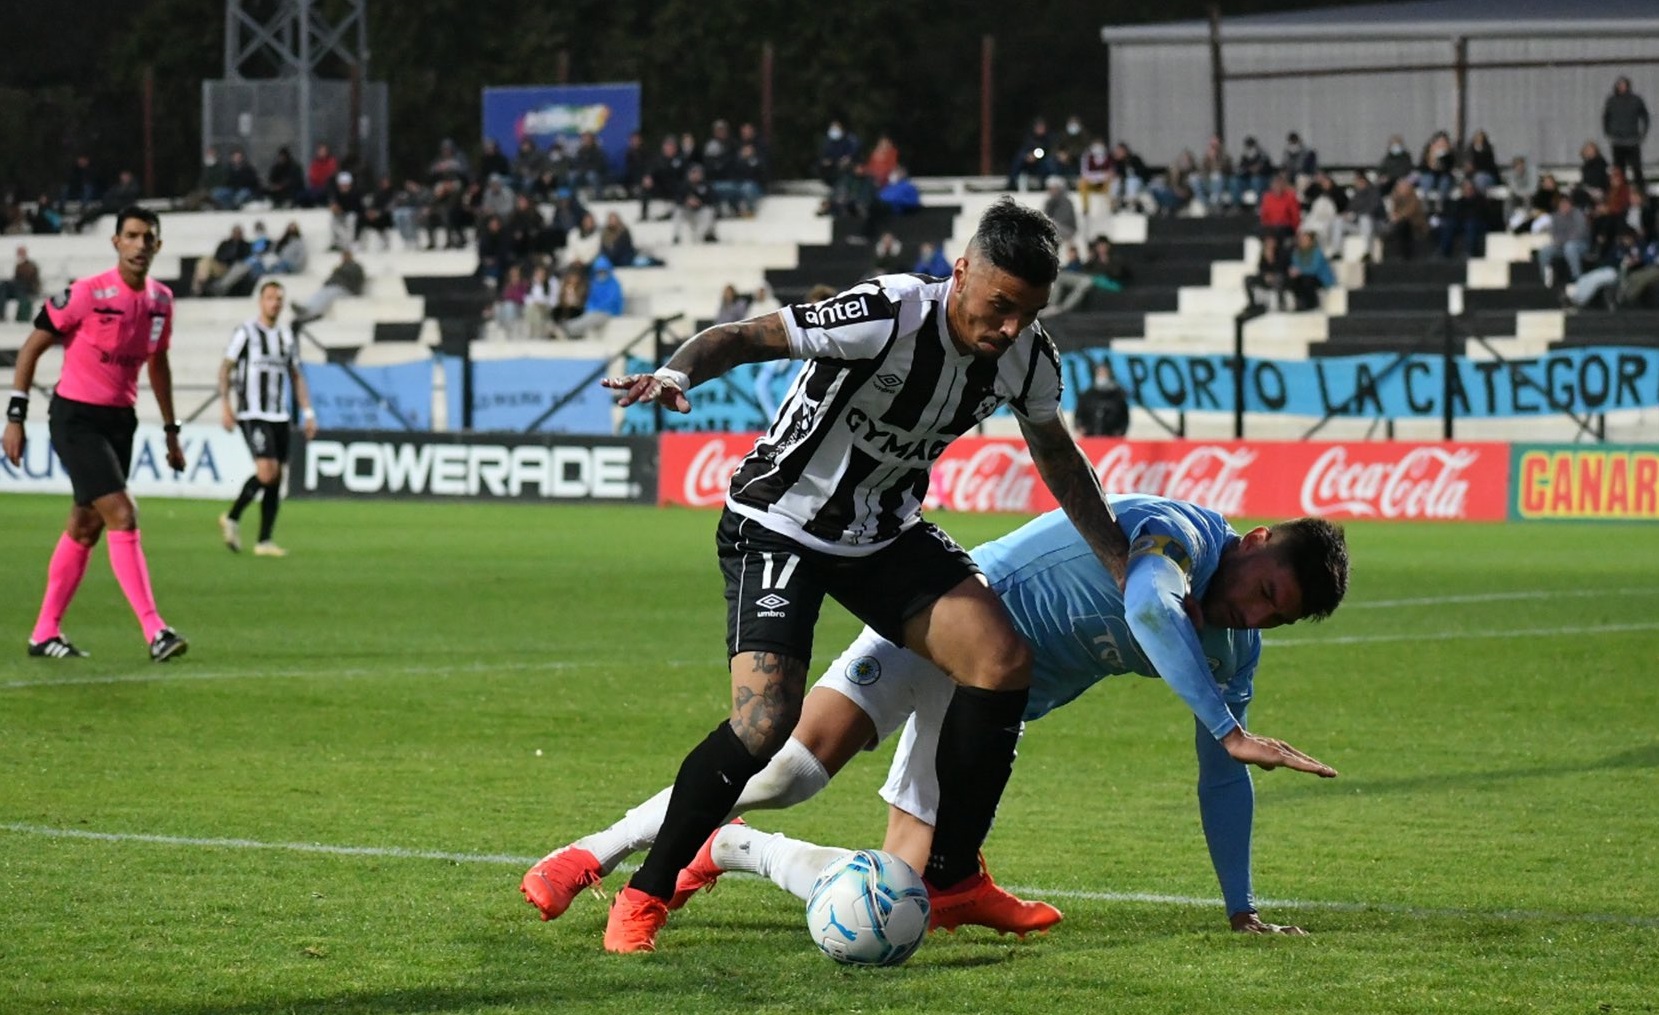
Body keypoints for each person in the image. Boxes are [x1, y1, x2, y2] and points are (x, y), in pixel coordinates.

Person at [584, 198, 1134, 954]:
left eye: (1027, 313)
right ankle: (646, 893)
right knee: (763, 722)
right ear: (961, 271)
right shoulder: (886, 310)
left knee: (1001, 661)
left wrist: (1117, 561)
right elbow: (743, 336)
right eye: (1000, 306)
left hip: (881, 534)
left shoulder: (1028, 355)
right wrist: (677, 371)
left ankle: (950, 878)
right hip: (778, 521)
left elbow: (1057, 454)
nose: (1009, 328)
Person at [523, 495, 1348, 938]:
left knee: (899, 896)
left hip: (987, 710)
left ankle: (740, 847)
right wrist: (1227, 722)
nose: (1250, 614)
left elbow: (1221, 772)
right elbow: (1149, 607)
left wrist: (1239, 904)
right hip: (936, 623)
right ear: (1257, 538)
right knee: (790, 769)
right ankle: (589, 853)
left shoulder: (1231, 657)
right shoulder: (1177, 536)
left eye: (1272, 617)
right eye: (1264, 589)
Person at [3, 207, 188, 662]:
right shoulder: (86, 294)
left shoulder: (161, 302)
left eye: (148, 238)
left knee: (86, 525)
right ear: (117, 242)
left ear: (158, 246)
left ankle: (44, 633)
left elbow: (157, 364)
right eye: (132, 236)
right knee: (122, 514)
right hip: (75, 418)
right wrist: (15, 416)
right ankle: (155, 630)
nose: (140, 244)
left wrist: (170, 429)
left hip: (119, 421)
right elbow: (32, 346)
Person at [217, 281, 318, 558]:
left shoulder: (286, 336)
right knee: (266, 472)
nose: (275, 303)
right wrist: (226, 404)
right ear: (261, 301)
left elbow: (296, 376)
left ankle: (264, 541)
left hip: (279, 415)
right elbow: (226, 368)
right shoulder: (246, 332)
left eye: (279, 299)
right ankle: (233, 516)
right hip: (252, 412)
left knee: (277, 478)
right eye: (270, 298)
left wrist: (308, 412)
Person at [291, 250, 366, 325]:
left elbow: (355, 280)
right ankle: (305, 308)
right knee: (319, 293)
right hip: (333, 287)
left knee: (329, 294)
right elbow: (329, 280)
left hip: (345, 289)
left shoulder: (356, 267)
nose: (344, 258)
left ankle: (311, 313)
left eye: (346, 256)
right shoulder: (340, 267)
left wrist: (340, 272)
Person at [1603, 76, 1649, 193]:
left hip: (1632, 140)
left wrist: (1643, 134)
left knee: (1636, 168)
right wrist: (1608, 132)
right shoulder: (1612, 100)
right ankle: (1621, 193)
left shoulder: (1636, 100)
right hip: (1617, 141)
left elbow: (1645, 117)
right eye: (1619, 85)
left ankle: (1641, 192)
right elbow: (1605, 118)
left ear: (1628, 86)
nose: (1621, 87)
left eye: (1623, 85)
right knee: (1619, 170)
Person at [1074, 361, 1129, 437]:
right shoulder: (1088, 395)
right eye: (1100, 373)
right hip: (1090, 436)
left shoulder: (1117, 396)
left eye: (1105, 373)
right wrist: (1080, 427)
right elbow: (1079, 414)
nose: (1102, 376)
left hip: (1111, 437)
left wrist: (1120, 431)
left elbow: (1124, 417)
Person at [0, 244, 42, 321]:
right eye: (19, 252)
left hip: (27, 288)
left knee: (8, 285)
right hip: (18, 288)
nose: (19, 254)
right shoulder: (18, 265)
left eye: (21, 252)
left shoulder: (30, 265)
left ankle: (19, 317)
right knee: (3, 287)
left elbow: (29, 279)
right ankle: (1, 314)